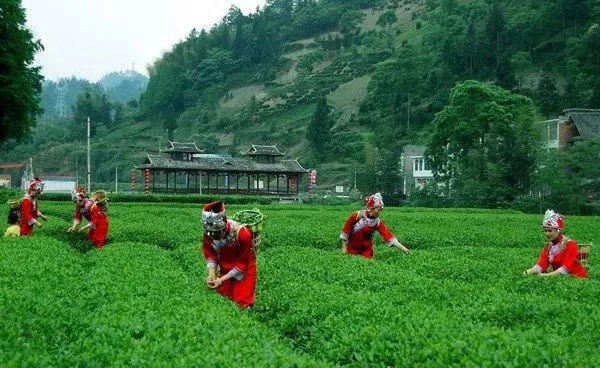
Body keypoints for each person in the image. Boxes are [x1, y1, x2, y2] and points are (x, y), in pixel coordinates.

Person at [201, 201, 257, 308]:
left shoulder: (242, 233)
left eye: (216, 232)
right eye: (210, 233)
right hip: (225, 269)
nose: (213, 236)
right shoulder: (208, 234)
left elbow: (242, 264)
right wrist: (212, 273)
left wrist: (220, 280)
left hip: (245, 271)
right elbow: (210, 254)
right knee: (223, 301)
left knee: (241, 303)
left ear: (224, 226)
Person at [340, 193, 409, 259]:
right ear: (371, 208)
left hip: (366, 250)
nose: (379, 212)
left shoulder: (377, 222)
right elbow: (346, 231)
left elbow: (388, 236)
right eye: (378, 210)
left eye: (381, 210)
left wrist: (402, 248)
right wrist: (344, 248)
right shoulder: (357, 216)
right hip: (352, 248)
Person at [524, 209, 588, 279]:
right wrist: (530, 271)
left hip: (576, 278)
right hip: (560, 278)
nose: (547, 234)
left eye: (550, 231)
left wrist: (545, 276)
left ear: (559, 230)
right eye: (545, 231)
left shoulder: (570, 244)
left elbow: (566, 268)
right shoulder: (548, 246)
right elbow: (542, 264)